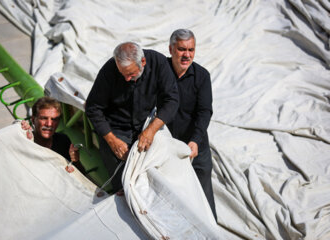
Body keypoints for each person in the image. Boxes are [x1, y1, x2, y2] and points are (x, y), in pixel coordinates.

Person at [85, 42, 179, 193]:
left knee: (164, 166)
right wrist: (111, 140)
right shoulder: (109, 70)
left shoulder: (158, 63)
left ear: (143, 62)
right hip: (116, 128)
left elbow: (172, 100)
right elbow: (93, 107)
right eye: (123, 75)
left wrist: (151, 129)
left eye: (131, 74)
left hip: (146, 125)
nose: (127, 79)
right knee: (123, 178)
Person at [167, 29, 217, 220]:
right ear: (171, 49)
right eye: (181, 49)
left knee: (204, 198)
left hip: (196, 147)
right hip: (169, 147)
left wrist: (195, 141)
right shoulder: (160, 71)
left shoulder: (202, 76)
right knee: (173, 197)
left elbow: (204, 112)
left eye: (191, 50)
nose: (187, 55)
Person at [21, 96, 86, 174]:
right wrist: (19, 128)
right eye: (44, 118)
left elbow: (82, 175)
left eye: (54, 119)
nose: (49, 124)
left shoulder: (63, 140)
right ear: (33, 120)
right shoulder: (24, 142)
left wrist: (75, 161)